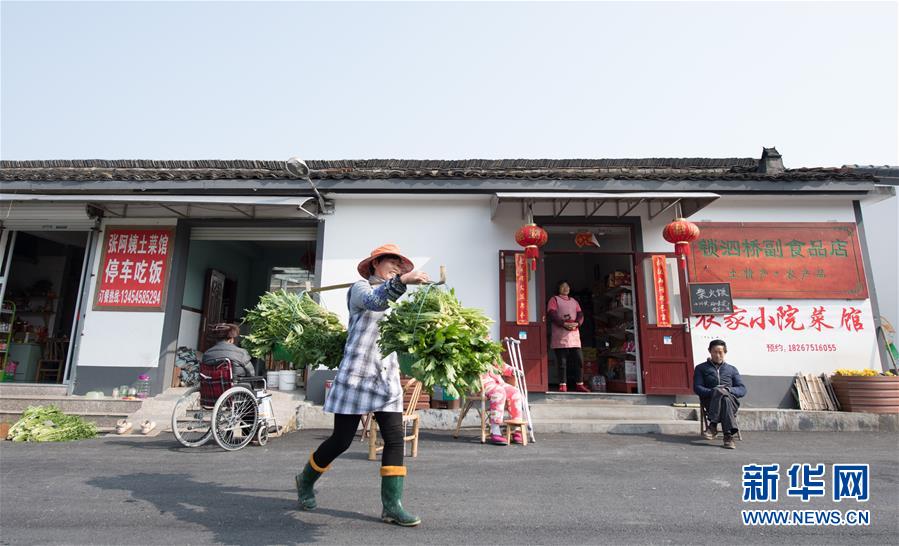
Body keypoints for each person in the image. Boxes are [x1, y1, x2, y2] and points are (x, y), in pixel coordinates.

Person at [295, 244, 429, 527]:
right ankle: (305, 480)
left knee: (394, 440)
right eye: (391, 262)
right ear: (375, 264)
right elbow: (374, 301)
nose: (396, 267)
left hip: (385, 377)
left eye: (400, 265)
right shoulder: (359, 288)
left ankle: (392, 506)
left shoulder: (398, 299)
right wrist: (403, 281)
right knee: (341, 440)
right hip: (357, 374)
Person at [693, 339, 747, 449]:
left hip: (732, 402)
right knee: (722, 397)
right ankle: (728, 437)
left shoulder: (732, 369)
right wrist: (713, 391)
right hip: (710, 401)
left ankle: (712, 425)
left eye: (720, 352)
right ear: (709, 351)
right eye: (715, 352)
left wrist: (728, 390)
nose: (717, 355)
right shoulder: (701, 368)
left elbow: (742, 389)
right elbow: (697, 388)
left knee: (725, 397)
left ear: (725, 352)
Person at [547, 280, 589, 393]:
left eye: (567, 286)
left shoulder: (574, 301)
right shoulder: (554, 299)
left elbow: (580, 314)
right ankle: (563, 384)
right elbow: (552, 314)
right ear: (558, 288)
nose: (566, 288)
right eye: (563, 286)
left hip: (574, 334)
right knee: (562, 362)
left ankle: (580, 384)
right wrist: (564, 324)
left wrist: (577, 323)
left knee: (579, 360)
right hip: (560, 334)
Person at [481, 358, 524, 446]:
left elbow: (501, 365)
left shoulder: (491, 353)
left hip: (499, 383)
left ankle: (516, 428)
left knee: (515, 392)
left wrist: (513, 370)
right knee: (499, 392)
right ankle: (495, 431)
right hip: (483, 384)